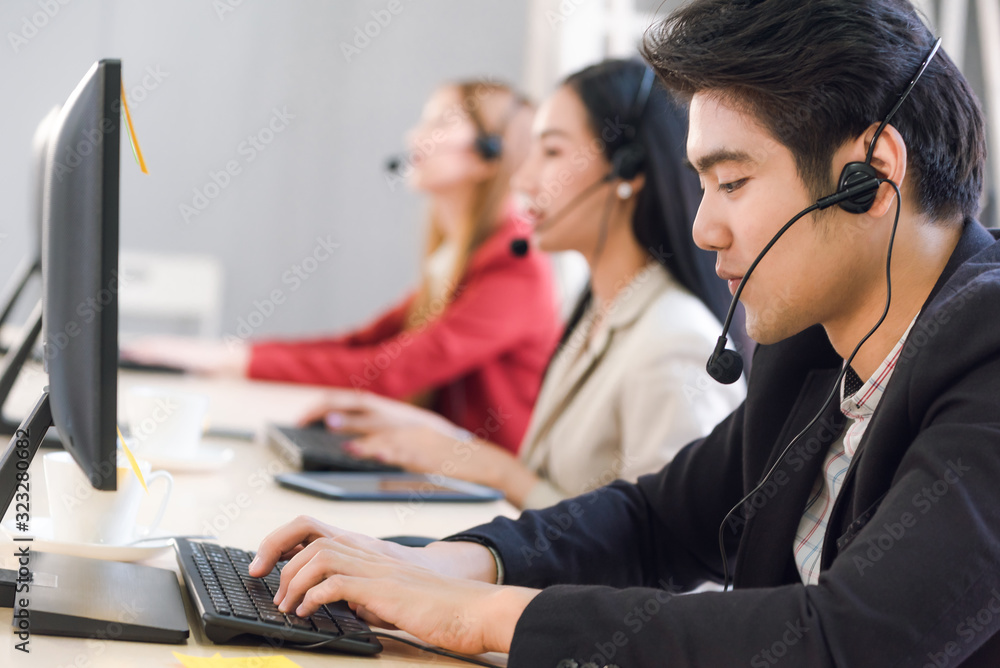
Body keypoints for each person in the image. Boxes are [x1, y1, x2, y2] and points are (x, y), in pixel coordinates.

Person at [248, 0, 1000, 665]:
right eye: (702, 185)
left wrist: (478, 617)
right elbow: (653, 522)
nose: (705, 228)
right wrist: (442, 564)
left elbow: (851, 643)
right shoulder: (813, 352)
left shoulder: (986, 353)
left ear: (868, 177)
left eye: (732, 182)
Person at [294, 60, 746, 509]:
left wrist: (495, 470)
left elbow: (666, 569)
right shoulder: (595, 311)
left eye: (550, 153)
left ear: (626, 171)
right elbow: (555, 489)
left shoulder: (675, 347)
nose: (524, 179)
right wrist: (434, 437)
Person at [123, 81, 561, 452]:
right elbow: (359, 345)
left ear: (491, 152)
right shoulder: (459, 256)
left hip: (490, 490)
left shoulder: (514, 265)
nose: (414, 138)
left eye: (439, 123)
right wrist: (224, 356)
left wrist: (228, 360)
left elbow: (389, 371)